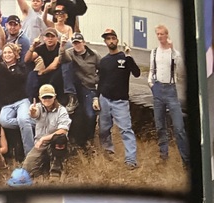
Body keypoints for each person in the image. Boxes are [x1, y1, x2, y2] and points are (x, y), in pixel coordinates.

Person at [96, 28, 140, 169]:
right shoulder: (103, 61)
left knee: (126, 130)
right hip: (104, 99)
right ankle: (108, 150)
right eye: (108, 39)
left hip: (120, 101)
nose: (111, 41)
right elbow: (100, 81)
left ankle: (131, 160)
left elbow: (137, 73)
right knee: (103, 129)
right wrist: (96, 98)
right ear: (105, 42)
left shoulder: (124, 58)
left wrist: (129, 57)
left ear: (117, 40)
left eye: (113, 38)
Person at [148, 24, 189, 167]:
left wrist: (173, 49)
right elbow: (152, 70)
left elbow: (182, 70)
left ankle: (186, 161)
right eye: (157, 34)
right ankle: (163, 156)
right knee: (160, 126)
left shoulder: (174, 52)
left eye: (162, 34)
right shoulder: (154, 52)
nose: (160, 36)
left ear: (167, 35)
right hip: (158, 89)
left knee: (179, 128)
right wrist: (151, 84)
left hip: (171, 91)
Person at [22, 82, 70, 177]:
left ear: (54, 96)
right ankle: (43, 165)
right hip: (40, 145)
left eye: (49, 97)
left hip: (54, 143)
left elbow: (63, 130)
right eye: (44, 97)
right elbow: (34, 114)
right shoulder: (38, 107)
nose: (47, 99)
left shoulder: (62, 110)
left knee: (60, 137)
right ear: (40, 98)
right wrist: (32, 112)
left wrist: (44, 138)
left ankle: (56, 168)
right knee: (26, 169)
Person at [61, 32, 98, 147]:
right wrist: (62, 46)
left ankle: (90, 138)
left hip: (89, 86)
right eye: (75, 43)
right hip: (76, 86)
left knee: (90, 114)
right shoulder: (70, 53)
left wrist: (97, 80)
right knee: (65, 64)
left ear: (84, 43)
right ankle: (71, 96)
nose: (77, 45)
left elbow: (103, 68)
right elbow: (62, 57)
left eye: (79, 42)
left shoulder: (94, 55)